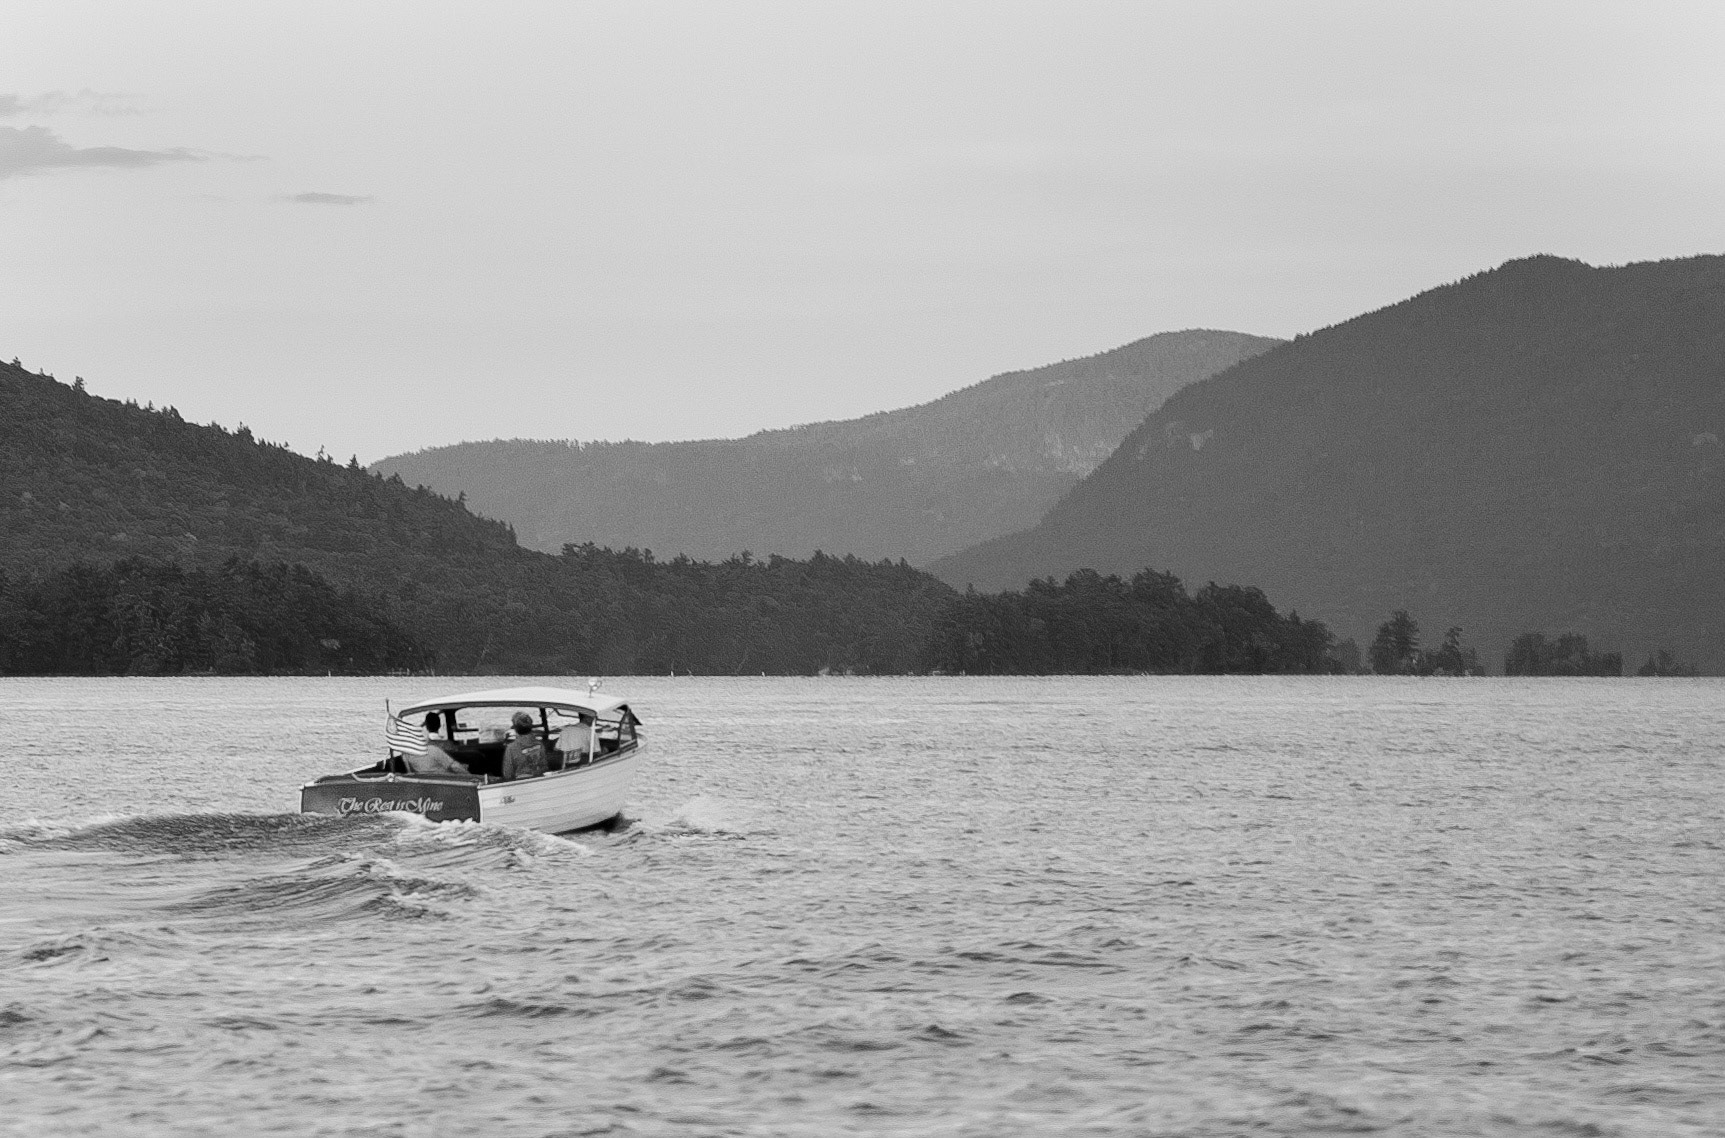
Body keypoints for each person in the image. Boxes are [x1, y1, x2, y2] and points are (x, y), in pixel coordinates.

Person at [405, 711, 470, 775]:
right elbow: (457, 765)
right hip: (450, 777)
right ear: (440, 725)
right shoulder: (448, 745)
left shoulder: (412, 753)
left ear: (426, 726)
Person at [501, 710, 548, 781]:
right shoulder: (540, 744)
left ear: (515, 728)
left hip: (520, 783)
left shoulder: (511, 748)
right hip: (539, 780)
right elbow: (545, 767)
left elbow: (508, 774)